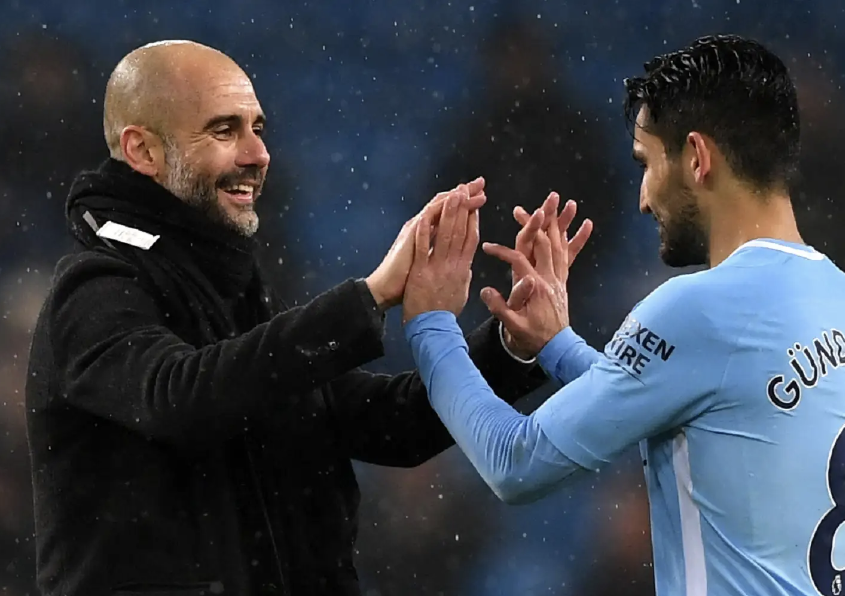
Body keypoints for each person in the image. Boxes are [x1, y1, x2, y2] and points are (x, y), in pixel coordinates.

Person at [23, 40, 563, 596]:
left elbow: (392, 425)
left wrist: (513, 343)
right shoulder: (95, 290)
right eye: (224, 130)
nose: (258, 154)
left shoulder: (237, 294)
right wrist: (371, 296)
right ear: (143, 151)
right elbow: (181, 399)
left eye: (258, 128)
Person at [401, 34, 845, 596]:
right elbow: (711, 415)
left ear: (698, 159)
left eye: (647, 163)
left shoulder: (702, 307)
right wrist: (558, 345)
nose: (642, 198)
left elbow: (515, 462)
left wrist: (432, 322)